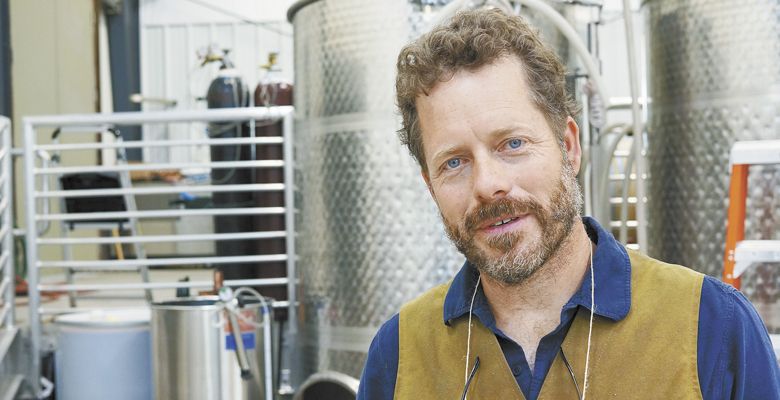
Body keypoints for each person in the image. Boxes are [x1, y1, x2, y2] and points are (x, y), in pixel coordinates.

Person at [357, 8, 780, 400]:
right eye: (454, 162)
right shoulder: (397, 358)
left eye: (513, 144)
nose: (488, 185)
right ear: (430, 186)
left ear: (569, 147)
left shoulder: (713, 328)